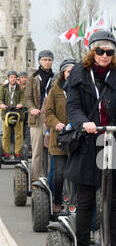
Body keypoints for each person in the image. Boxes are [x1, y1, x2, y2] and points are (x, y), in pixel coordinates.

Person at [64, 30, 116, 246]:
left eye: (109, 51)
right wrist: (83, 122)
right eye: (100, 50)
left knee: (112, 199)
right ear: (91, 51)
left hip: (113, 139)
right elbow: (72, 106)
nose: (104, 55)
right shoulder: (79, 74)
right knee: (86, 200)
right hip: (88, 141)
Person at [45, 58, 76, 213]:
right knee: (59, 173)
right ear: (63, 73)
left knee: (77, 174)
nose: (71, 74)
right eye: (68, 71)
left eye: (73, 71)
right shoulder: (55, 90)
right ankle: (57, 202)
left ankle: (76, 203)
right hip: (58, 139)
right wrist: (57, 124)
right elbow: (48, 113)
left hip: (76, 138)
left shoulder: (81, 89)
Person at [25, 50, 54, 183]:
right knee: (37, 152)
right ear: (39, 61)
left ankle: (50, 179)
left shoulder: (56, 77)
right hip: (36, 119)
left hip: (51, 119)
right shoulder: (33, 77)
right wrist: (32, 109)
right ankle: (36, 180)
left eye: (49, 60)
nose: (47, 62)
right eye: (44, 60)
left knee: (51, 150)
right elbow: (27, 98)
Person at [0, 71, 25, 158]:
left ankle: (17, 152)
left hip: (18, 114)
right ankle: (6, 152)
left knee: (19, 134)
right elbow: (0, 99)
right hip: (6, 114)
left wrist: (21, 104)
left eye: (15, 77)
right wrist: (1, 104)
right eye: (11, 77)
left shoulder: (20, 88)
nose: (13, 79)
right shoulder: (3, 88)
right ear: (8, 78)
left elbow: (23, 99)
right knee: (6, 135)